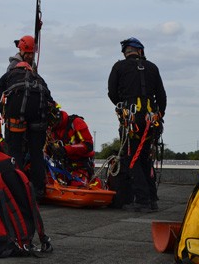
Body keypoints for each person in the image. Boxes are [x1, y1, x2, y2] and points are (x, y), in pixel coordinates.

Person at [108, 37, 167, 212]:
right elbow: (162, 96)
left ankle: (142, 200)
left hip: (131, 119)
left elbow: (112, 93)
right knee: (145, 157)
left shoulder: (118, 67)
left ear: (126, 52)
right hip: (150, 119)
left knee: (131, 158)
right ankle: (152, 198)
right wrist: (159, 115)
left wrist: (124, 106)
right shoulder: (152, 67)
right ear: (140, 51)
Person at [0, 53, 53, 200]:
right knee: (36, 154)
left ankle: (18, 190)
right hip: (38, 120)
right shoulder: (39, 79)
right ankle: (39, 191)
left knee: (15, 152)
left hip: (16, 118)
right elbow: (50, 100)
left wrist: (5, 114)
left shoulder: (8, 76)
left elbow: (0, 96)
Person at [46, 105, 97, 187]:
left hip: (81, 166)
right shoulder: (51, 129)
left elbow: (88, 145)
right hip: (62, 167)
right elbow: (47, 153)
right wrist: (49, 150)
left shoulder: (76, 122)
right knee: (47, 181)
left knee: (77, 187)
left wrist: (66, 149)